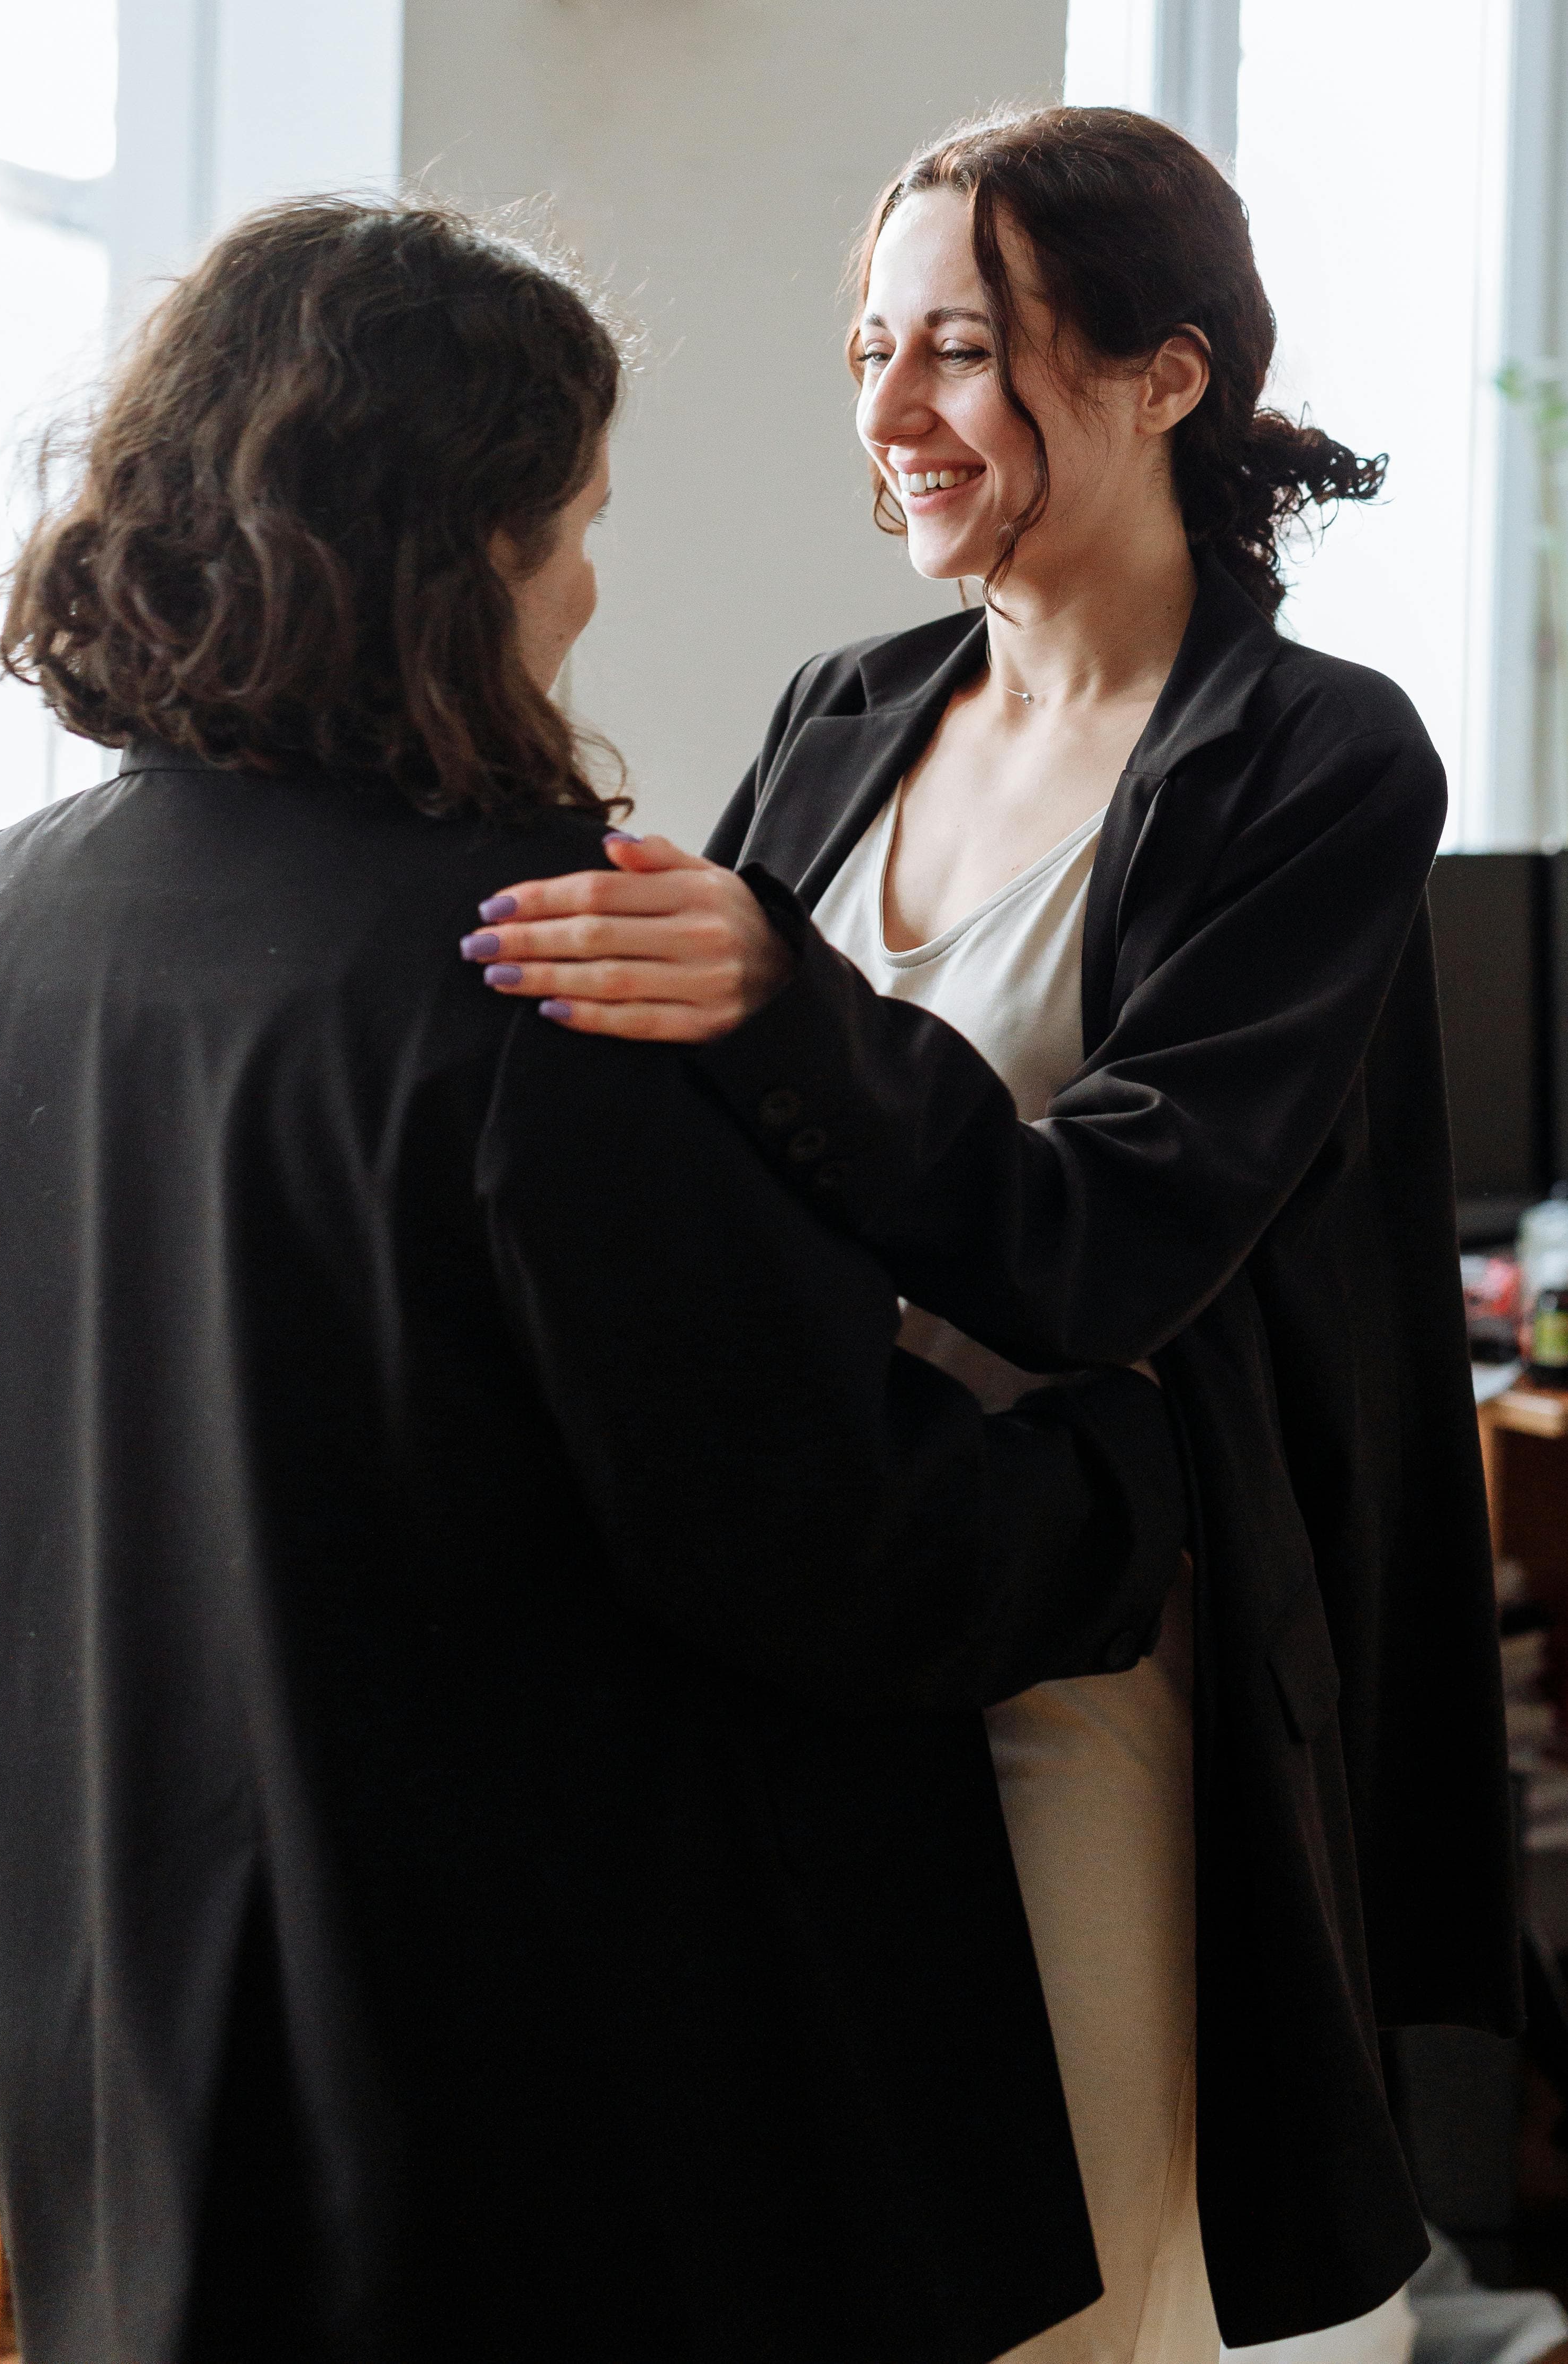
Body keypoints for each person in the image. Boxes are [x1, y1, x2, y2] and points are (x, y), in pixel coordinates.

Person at [0, 195, 1191, 2364]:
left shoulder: (32, 918)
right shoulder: (538, 959)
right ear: (451, 549)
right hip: (531, 2109)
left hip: (139, 2055)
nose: (587, 583)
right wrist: (1131, 1472)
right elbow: (827, 1534)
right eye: (570, 522)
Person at [459, 107, 1519, 2361]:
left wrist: (776, 993)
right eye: (871, 347)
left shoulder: (1314, 761)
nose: (887, 412)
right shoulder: (848, 708)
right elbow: (707, 1158)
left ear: (1168, 372)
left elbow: (1105, 1243)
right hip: (808, 1596)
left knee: (1069, 2299)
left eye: (963, 348)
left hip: (1089, 1645)